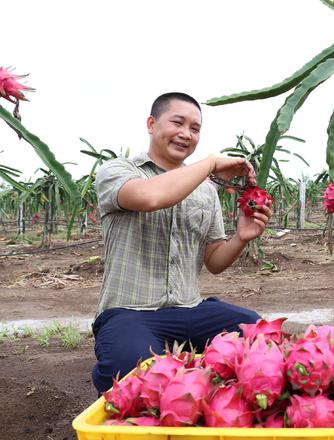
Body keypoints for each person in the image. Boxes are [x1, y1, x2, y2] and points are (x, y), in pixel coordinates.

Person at [91, 92, 272, 393]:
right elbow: (151, 197)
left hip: (192, 310)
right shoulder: (118, 172)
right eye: (178, 123)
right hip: (129, 311)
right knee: (132, 373)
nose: (186, 134)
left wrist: (241, 237)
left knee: (257, 332)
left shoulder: (206, 192)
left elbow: (214, 261)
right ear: (151, 124)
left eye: (195, 128)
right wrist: (212, 162)